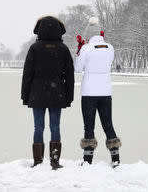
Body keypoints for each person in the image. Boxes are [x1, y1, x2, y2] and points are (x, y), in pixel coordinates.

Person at [21, 16, 74, 170]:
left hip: (37, 93)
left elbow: (27, 74)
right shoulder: (63, 49)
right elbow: (69, 76)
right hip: (57, 92)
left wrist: (25, 96)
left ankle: (38, 161)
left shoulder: (34, 48)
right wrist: (68, 97)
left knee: (38, 127)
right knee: (55, 127)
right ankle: (55, 161)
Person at [74, 17, 122, 168]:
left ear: (88, 34)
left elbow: (77, 68)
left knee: (89, 126)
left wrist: (79, 51)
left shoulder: (86, 49)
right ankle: (115, 158)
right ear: (101, 34)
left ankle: (88, 159)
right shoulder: (110, 48)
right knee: (108, 124)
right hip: (105, 91)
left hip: (89, 92)